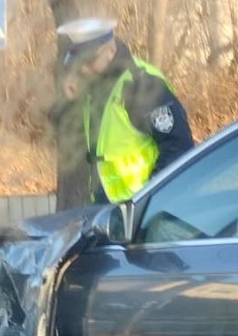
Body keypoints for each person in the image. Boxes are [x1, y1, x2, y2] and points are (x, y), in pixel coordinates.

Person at [52, 17, 194, 205]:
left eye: (88, 61)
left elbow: (179, 147)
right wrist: (68, 100)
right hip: (108, 209)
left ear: (110, 51)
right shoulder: (90, 88)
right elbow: (60, 133)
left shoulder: (141, 84)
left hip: (146, 210)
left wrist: (150, 198)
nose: (83, 68)